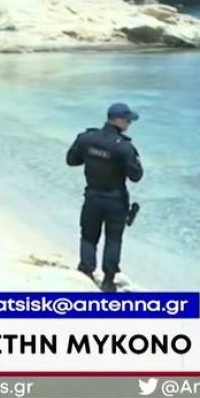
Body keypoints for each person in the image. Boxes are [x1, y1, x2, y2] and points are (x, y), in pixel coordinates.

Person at [66, 103, 143, 292]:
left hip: (92, 196)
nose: (129, 124)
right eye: (128, 120)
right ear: (118, 120)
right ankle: (109, 280)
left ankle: (86, 270)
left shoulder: (86, 138)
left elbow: (71, 161)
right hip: (115, 200)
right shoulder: (124, 147)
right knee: (113, 239)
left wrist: (93, 158)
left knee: (88, 236)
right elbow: (136, 176)